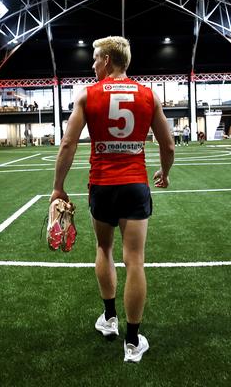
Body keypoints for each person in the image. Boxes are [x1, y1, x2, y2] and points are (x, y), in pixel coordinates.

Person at [51, 36, 174, 363]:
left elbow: (67, 143)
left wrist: (58, 187)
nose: (92, 65)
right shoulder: (149, 94)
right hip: (135, 184)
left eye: (95, 59)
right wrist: (164, 172)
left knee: (104, 249)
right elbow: (169, 145)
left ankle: (109, 319)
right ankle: (132, 342)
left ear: (107, 60)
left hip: (102, 185)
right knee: (135, 259)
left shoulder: (87, 95)